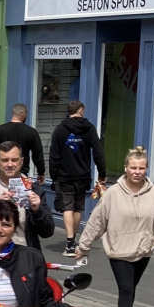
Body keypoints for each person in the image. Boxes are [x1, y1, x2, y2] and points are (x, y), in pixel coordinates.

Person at [77, 146, 154, 307]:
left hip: (143, 250)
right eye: (133, 167)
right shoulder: (113, 194)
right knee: (126, 288)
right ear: (126, 168)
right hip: (119, 250)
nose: (137, 171)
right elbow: (97, 220)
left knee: (130, 289)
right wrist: (84, 245)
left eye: (141, 168)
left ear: (146, 169)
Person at [0, 141, 54, 255]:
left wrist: (37, 210)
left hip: (26, 258)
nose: (10, 164)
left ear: (21, 161)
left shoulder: (35, 191)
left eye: (14, 160)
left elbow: (47, 232)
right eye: (5, 160)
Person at [49, 100, 106, 257]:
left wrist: (54, 175)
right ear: (81, 110)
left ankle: (69, 243)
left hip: (64, 175)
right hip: (82, 174)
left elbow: (54, 155)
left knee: (68, 207)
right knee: (78, 207)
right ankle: (72, 240)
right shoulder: (89, 129)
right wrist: (102, 173)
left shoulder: (60, 129)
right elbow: (98, 152)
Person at [0, 103, 45, 183]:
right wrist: (41, 172)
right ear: (24, 115)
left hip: (1, 174)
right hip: (21, 174)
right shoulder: (31, 132)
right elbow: (38, 155)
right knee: (19, 195)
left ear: (13, 114)